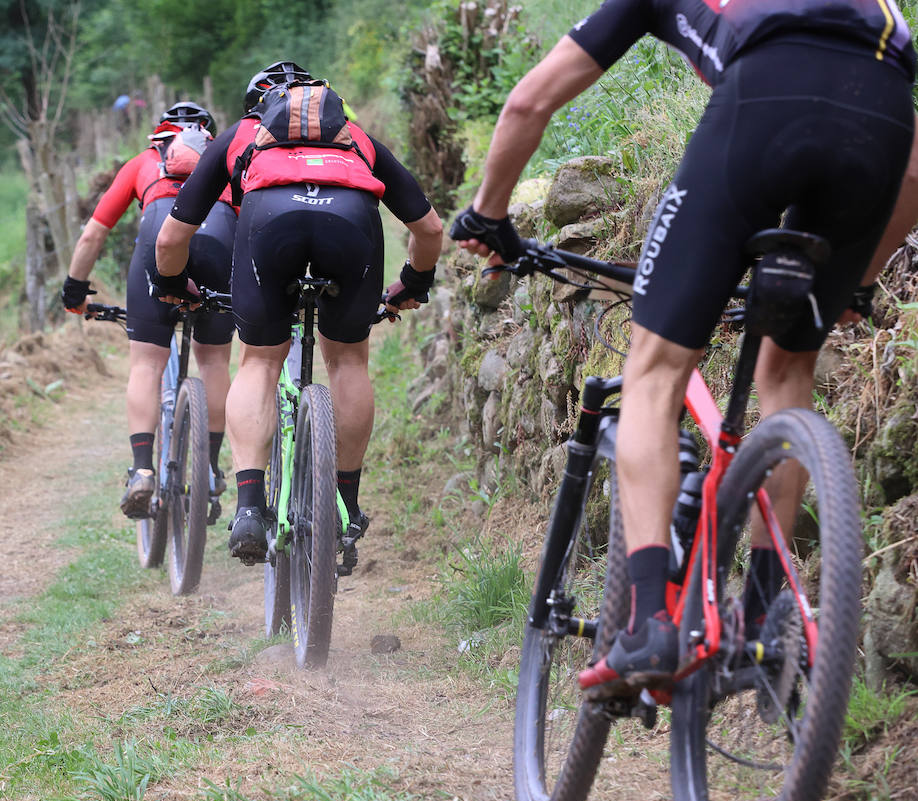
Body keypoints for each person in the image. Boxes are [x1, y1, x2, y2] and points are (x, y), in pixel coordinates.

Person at [451, 1, 918, 696]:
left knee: (655, 370)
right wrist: (859, 279)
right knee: (788, 368)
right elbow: (912, 176)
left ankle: (648, 627)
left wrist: (489, 215)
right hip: (882, 112)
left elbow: (527, 103)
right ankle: (766, 610)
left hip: (762, 102)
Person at [154, 62, 445, 562]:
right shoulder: (357, 137)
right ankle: (346, 506)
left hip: (270, 222)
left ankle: (248, 508)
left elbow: (172, 237)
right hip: (352, 223)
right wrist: (412, 283)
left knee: (261, 362)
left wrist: (174, 284)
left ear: (261, 107)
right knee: (349, 361)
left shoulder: (241, 135)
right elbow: (431, 230)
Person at [62, 102, 238, 518]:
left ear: (162, 134)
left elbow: (94, 234)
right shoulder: (228, 160)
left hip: (159, 245)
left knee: (146, 364)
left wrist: (75, 291)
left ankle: (142, 469)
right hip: (218, 245)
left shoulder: (143, 162)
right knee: (214, 362)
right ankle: (210, 470)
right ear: (207, 134)